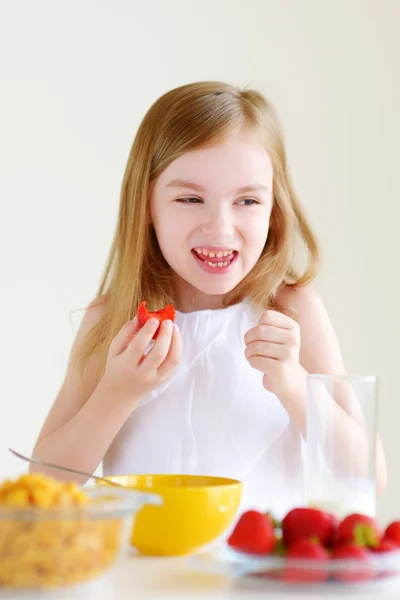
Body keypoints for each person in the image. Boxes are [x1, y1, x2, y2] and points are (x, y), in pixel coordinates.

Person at [31, 81, 387, 517]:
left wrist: (293, 384)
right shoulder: (112, 320)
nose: (220, 228)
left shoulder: (292, 311)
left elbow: (369, 475)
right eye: (190, 198)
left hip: (260, 579)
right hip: (144, 580)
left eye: (247, 201)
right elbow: (42, 484)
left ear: (273, 212)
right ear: (146, 207)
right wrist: (116, 394)